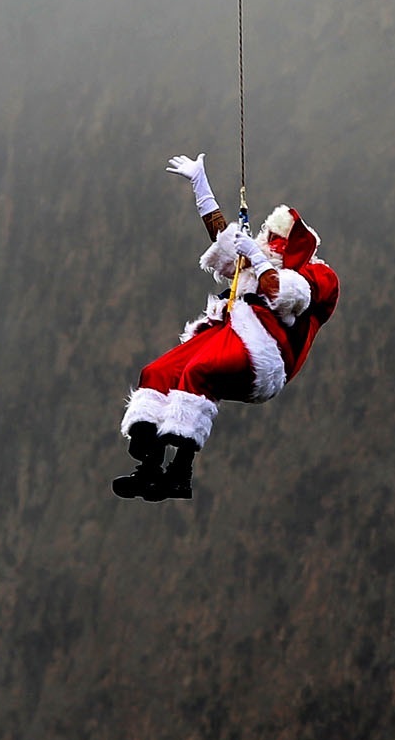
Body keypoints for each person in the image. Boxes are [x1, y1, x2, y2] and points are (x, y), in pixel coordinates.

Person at [113, 152, 338, 500]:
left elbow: (281, 293)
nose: (267, 243)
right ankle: (150, 466)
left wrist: (258, 258)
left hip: (266, 354)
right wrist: (201, 187)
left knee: (200, 370)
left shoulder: (316, 275)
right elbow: (223, 239)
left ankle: (180, 473)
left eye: (275, 240)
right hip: (230, 332)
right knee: (159, 371)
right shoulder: (257, 262)